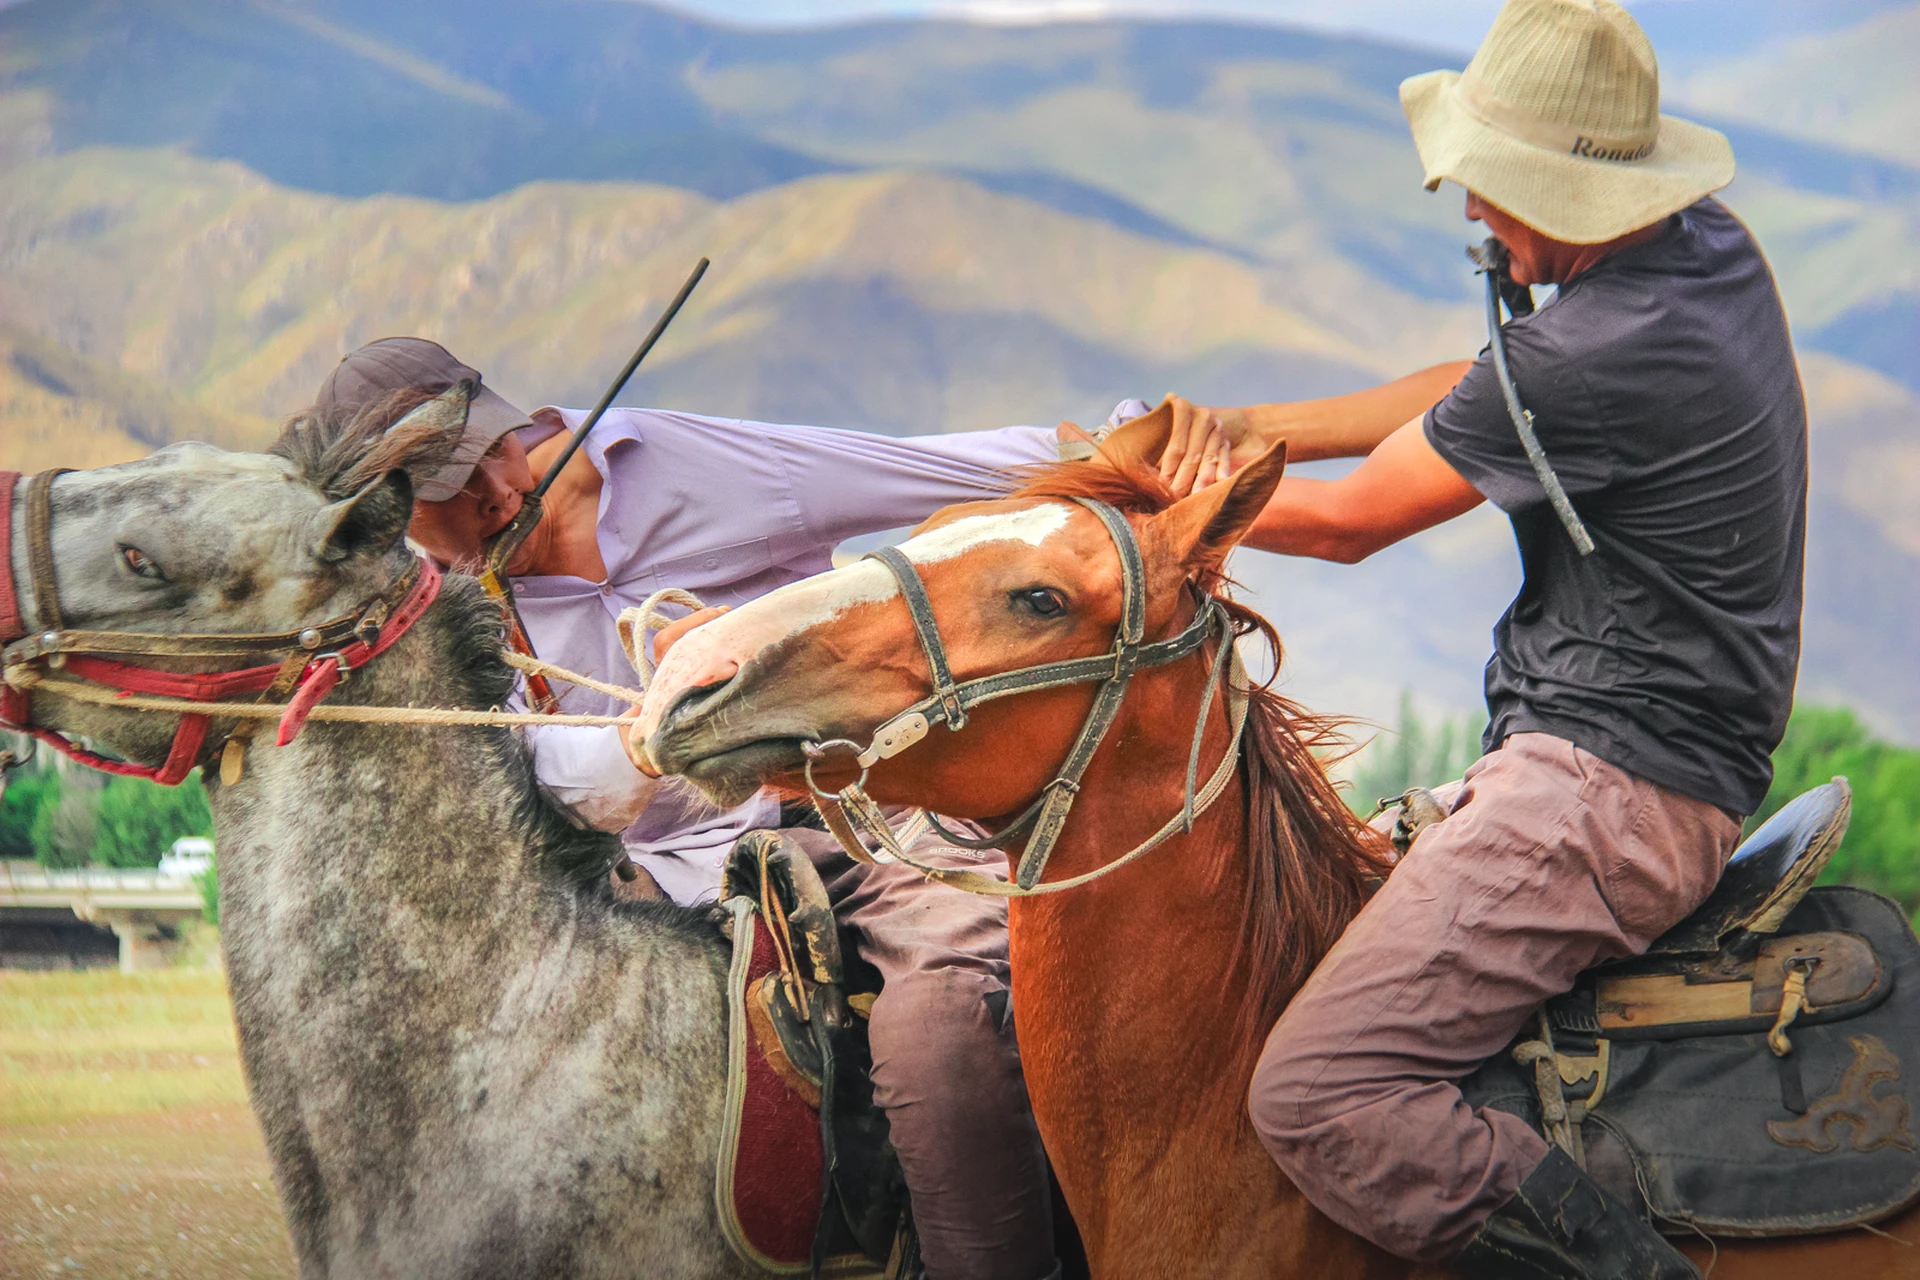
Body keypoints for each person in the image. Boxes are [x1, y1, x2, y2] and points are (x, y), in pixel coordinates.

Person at [1155, 2, 1801, 1277]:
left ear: (1568, 191)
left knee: (1319, 1091)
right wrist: (1246, 428)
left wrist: (1149, 504)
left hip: (1608, 791)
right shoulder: (1699, 252)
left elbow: (1347, 523)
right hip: (1624, 763)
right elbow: (1484, 390)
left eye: (1494, 186)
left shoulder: (1602, 351)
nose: (1471, 210)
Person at [303, 335, 1096, 1280]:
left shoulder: (680, 463)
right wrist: (648, 735)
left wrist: (1132, 442)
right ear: (390, 510)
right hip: (634, 880)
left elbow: (946, 469)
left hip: (855, 830)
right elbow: (521, 781)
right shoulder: (415, 611)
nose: (499, 491)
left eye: (493, 451)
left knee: (942, 1017)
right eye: (450, 487)